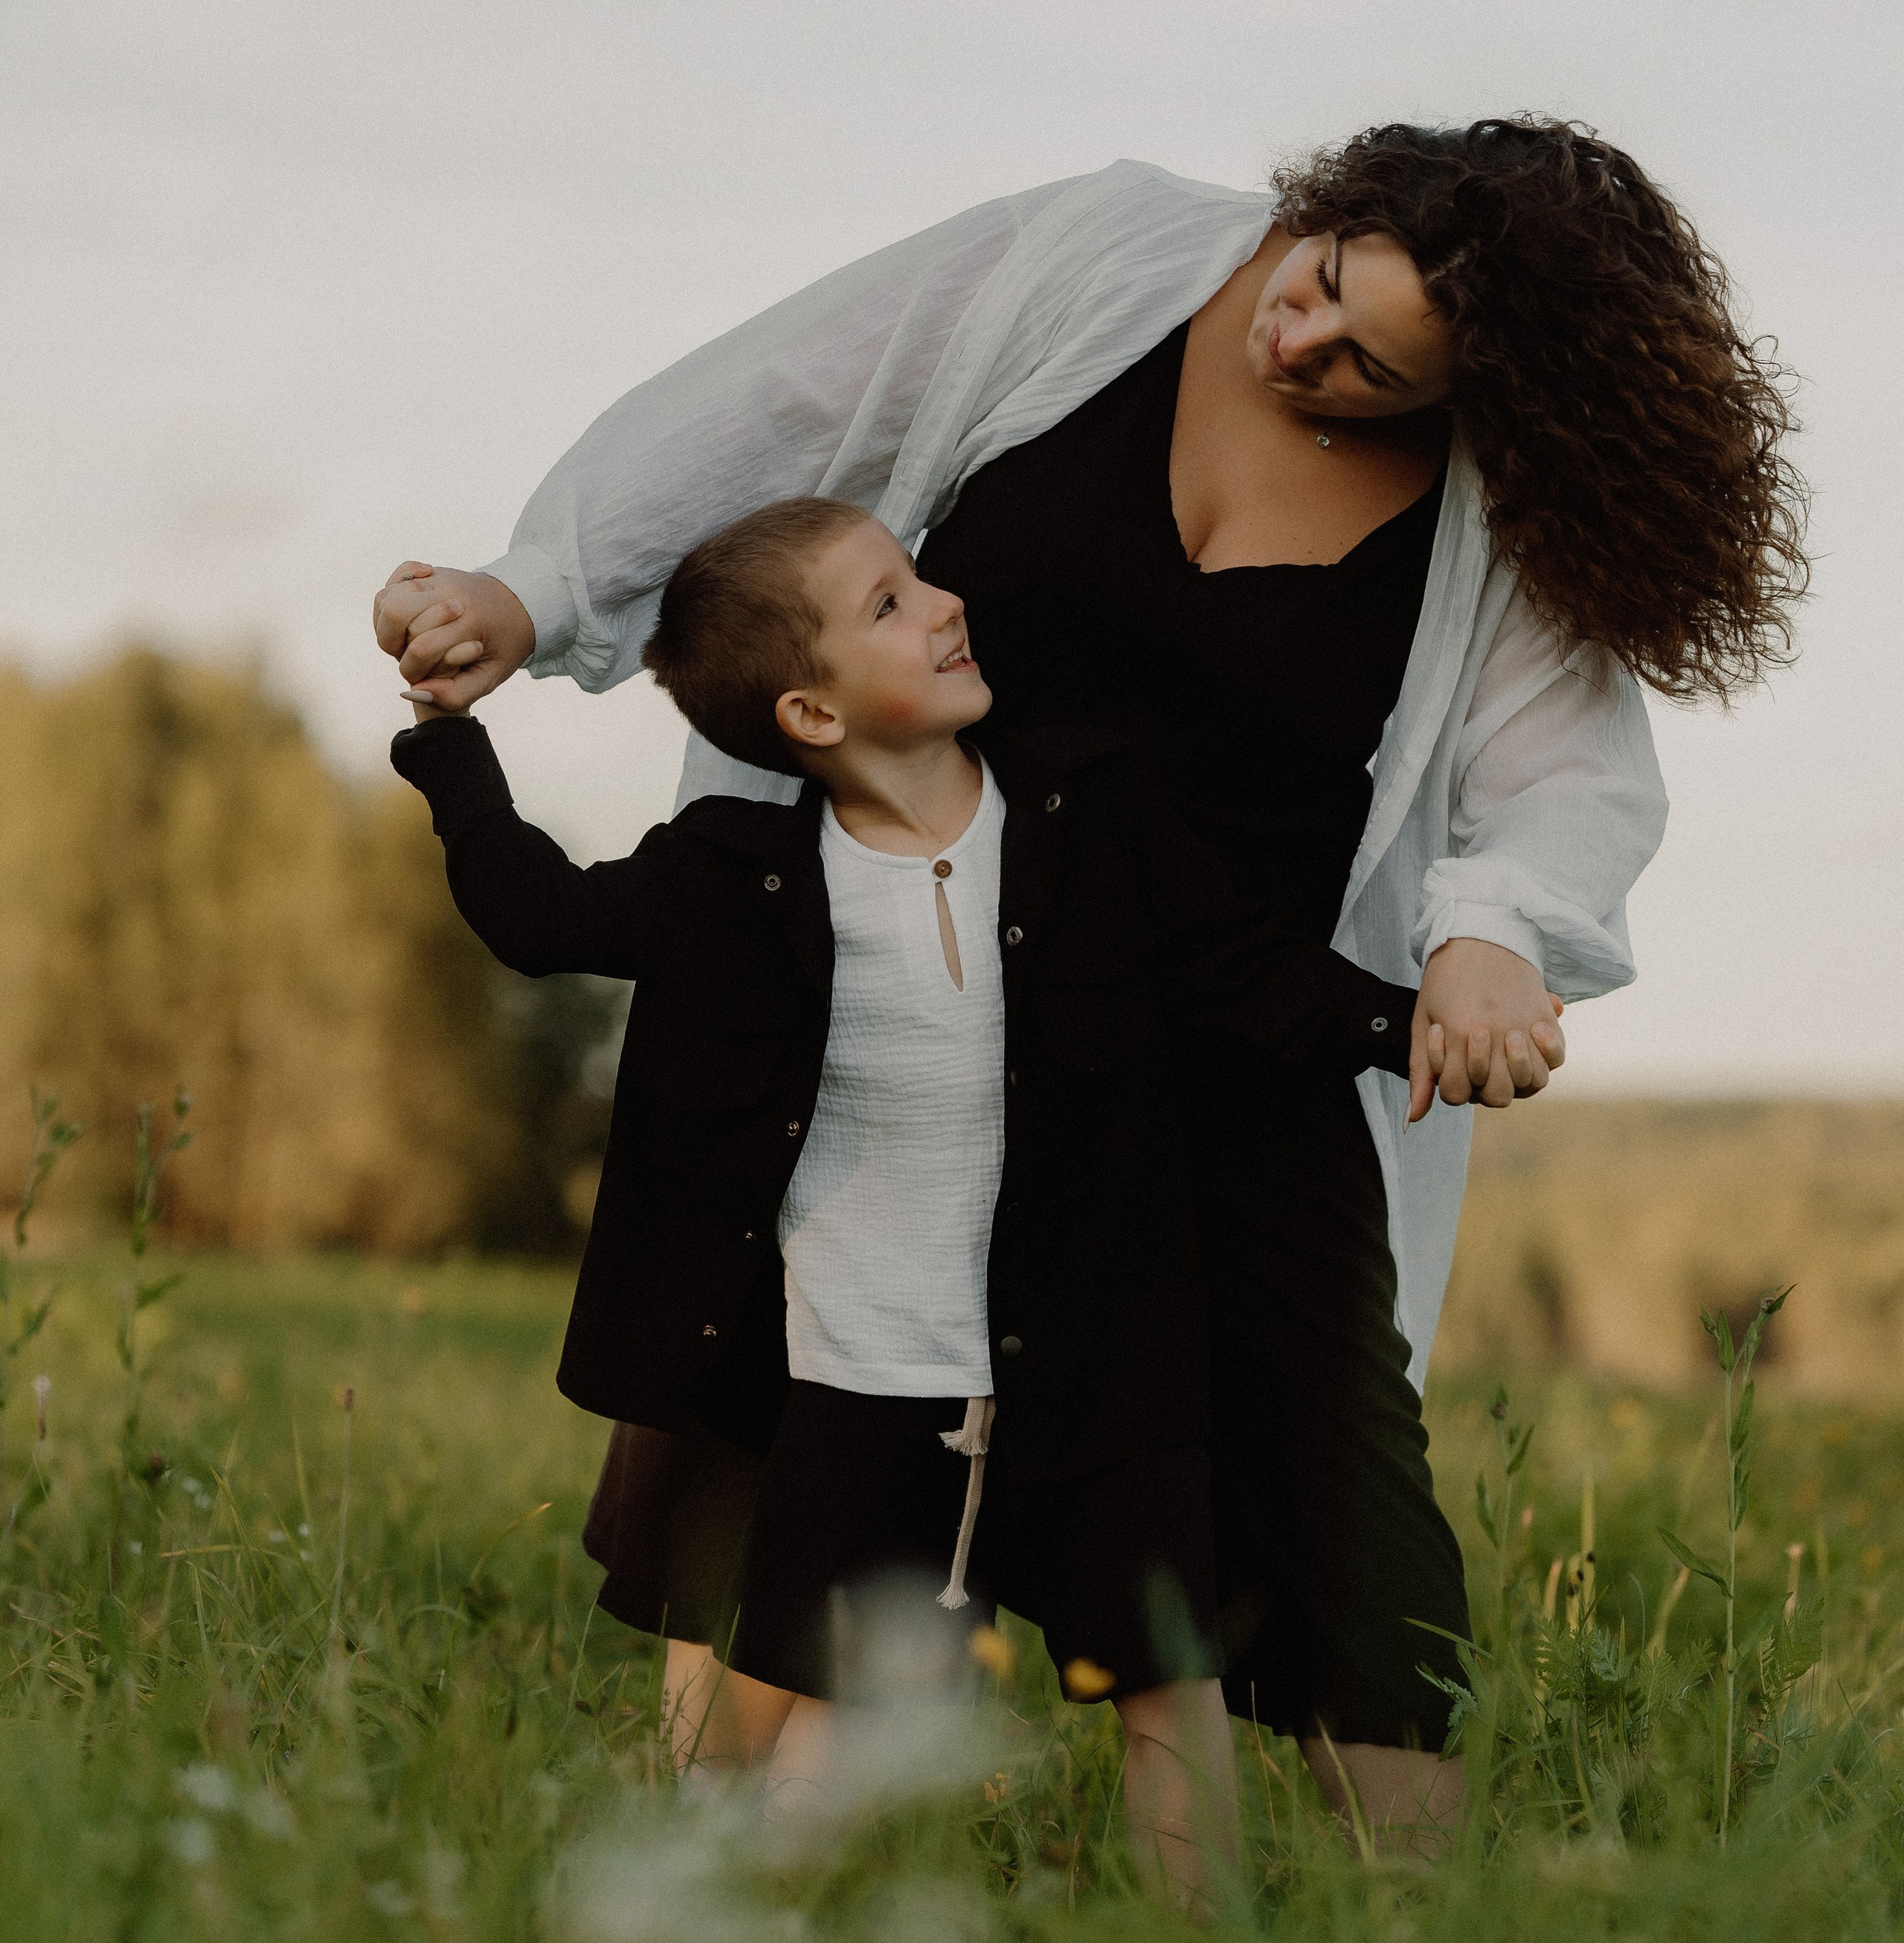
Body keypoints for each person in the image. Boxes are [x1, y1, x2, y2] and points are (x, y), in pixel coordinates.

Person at [376, 120, 1806, 1850]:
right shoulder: (1095, 264)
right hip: (894, 991)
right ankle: (716, 1868)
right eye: (1317, 281)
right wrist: (532, 592)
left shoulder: (1493, 507)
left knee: (1330, 1508)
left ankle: (1417, 1904)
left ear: (1479, 397)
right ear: (1333, 207)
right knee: (775, 1433)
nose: (1298, 343)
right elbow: (787, 398)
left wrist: (1488, 937)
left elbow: (1557, 770)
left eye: (1369, 369)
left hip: (1226, 1036)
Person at [391, 493, 1419, 1904]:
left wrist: (1411, 1025)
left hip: (1097, 1367)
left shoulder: (1089, 811)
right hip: (859, 1382)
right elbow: (542, 915)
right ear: (811, 714)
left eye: (919, 580)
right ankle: (761, 1910)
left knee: (1165, 1674)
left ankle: (1197, 1924)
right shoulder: (733, 878)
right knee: (837, 1696)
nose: (943, 604)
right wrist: (447, 741)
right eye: (889, 603)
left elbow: (1240, 969)